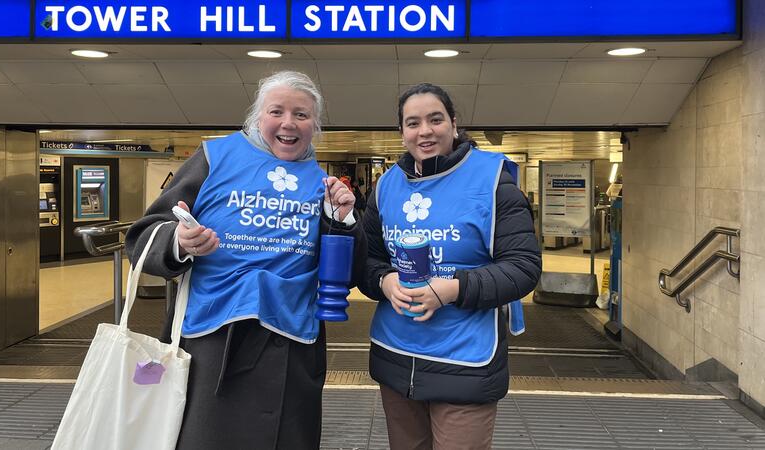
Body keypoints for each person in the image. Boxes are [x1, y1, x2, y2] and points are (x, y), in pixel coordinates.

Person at [125, 71, 365, 450]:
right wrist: (181, 241)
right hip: (211, 340)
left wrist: (344, 221)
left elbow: (350, 274)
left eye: (302, 115)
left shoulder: (323, 185)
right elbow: (142, 236)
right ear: (257, 117)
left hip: (293, 343)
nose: (288, 123)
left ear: (314, 126)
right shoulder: (214, 158)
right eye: (277, 112)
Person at [359, 83, 541, 449]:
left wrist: (450, 289)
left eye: (435, 119)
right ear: (402, 132)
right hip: (396, 358)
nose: (424, 131)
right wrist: (384, 281)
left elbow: (523, 268)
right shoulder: (387, 186)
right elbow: (366, 261)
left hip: (464, 363)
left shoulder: (493, 182)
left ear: (454, 124)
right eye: (413, 123)